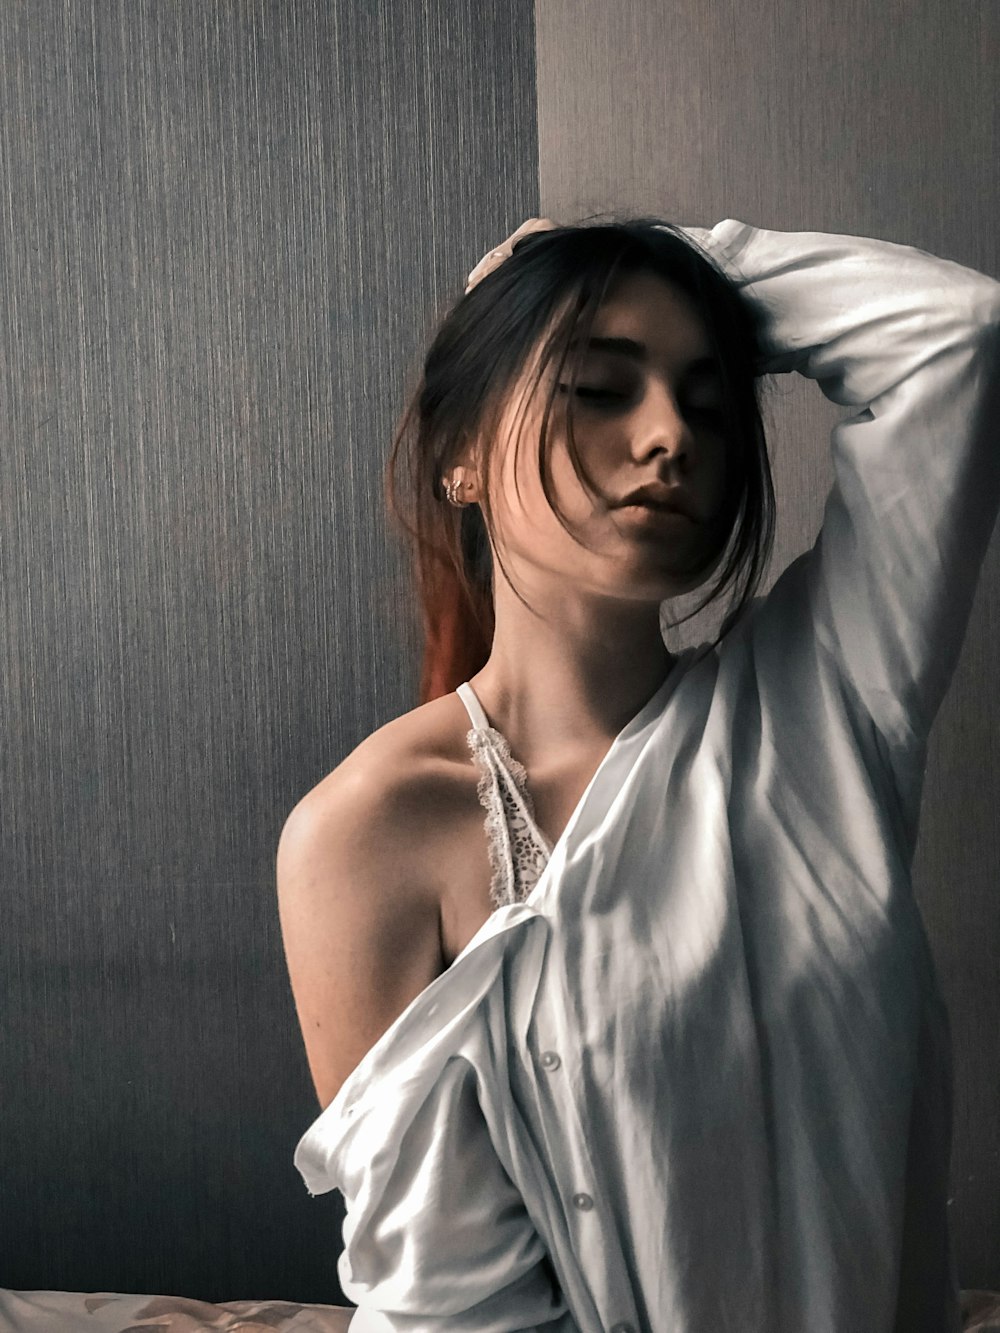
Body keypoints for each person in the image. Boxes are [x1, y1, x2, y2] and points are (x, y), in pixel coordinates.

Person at [275, 212, 1000, 1332]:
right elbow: (448, 1298)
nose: (671, 435)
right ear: (458, 454)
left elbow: (956, 334)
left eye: (710, 403)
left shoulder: (822, 702)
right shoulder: (368, 831)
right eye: (597, 388)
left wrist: (656, 251)